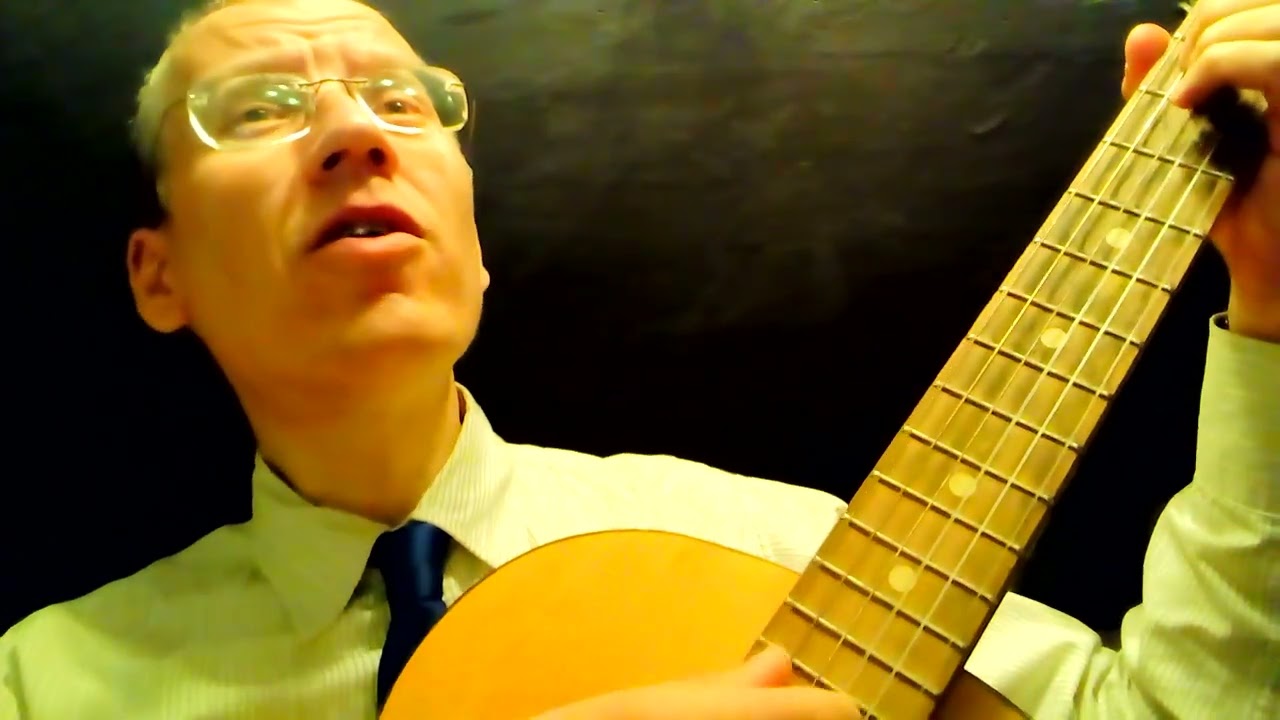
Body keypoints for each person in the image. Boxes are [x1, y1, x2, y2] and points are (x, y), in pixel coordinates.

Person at [2, 0, 1277, 717]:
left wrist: (1271, 307)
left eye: (403, 100)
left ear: (475, 251)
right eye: (260, 109)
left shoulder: (801, 559)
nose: (355, 131)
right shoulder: (46, 681)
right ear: (157, 275)